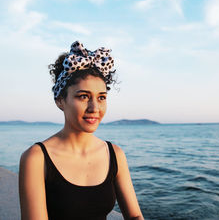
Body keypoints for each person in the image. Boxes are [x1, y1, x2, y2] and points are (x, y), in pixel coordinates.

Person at [19, 41, 144, 220]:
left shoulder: (115, 154)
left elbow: (134, 216)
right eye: (83, 96)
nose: (94, 107)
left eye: (101, 97)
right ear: (60, 100)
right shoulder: (36, 158)